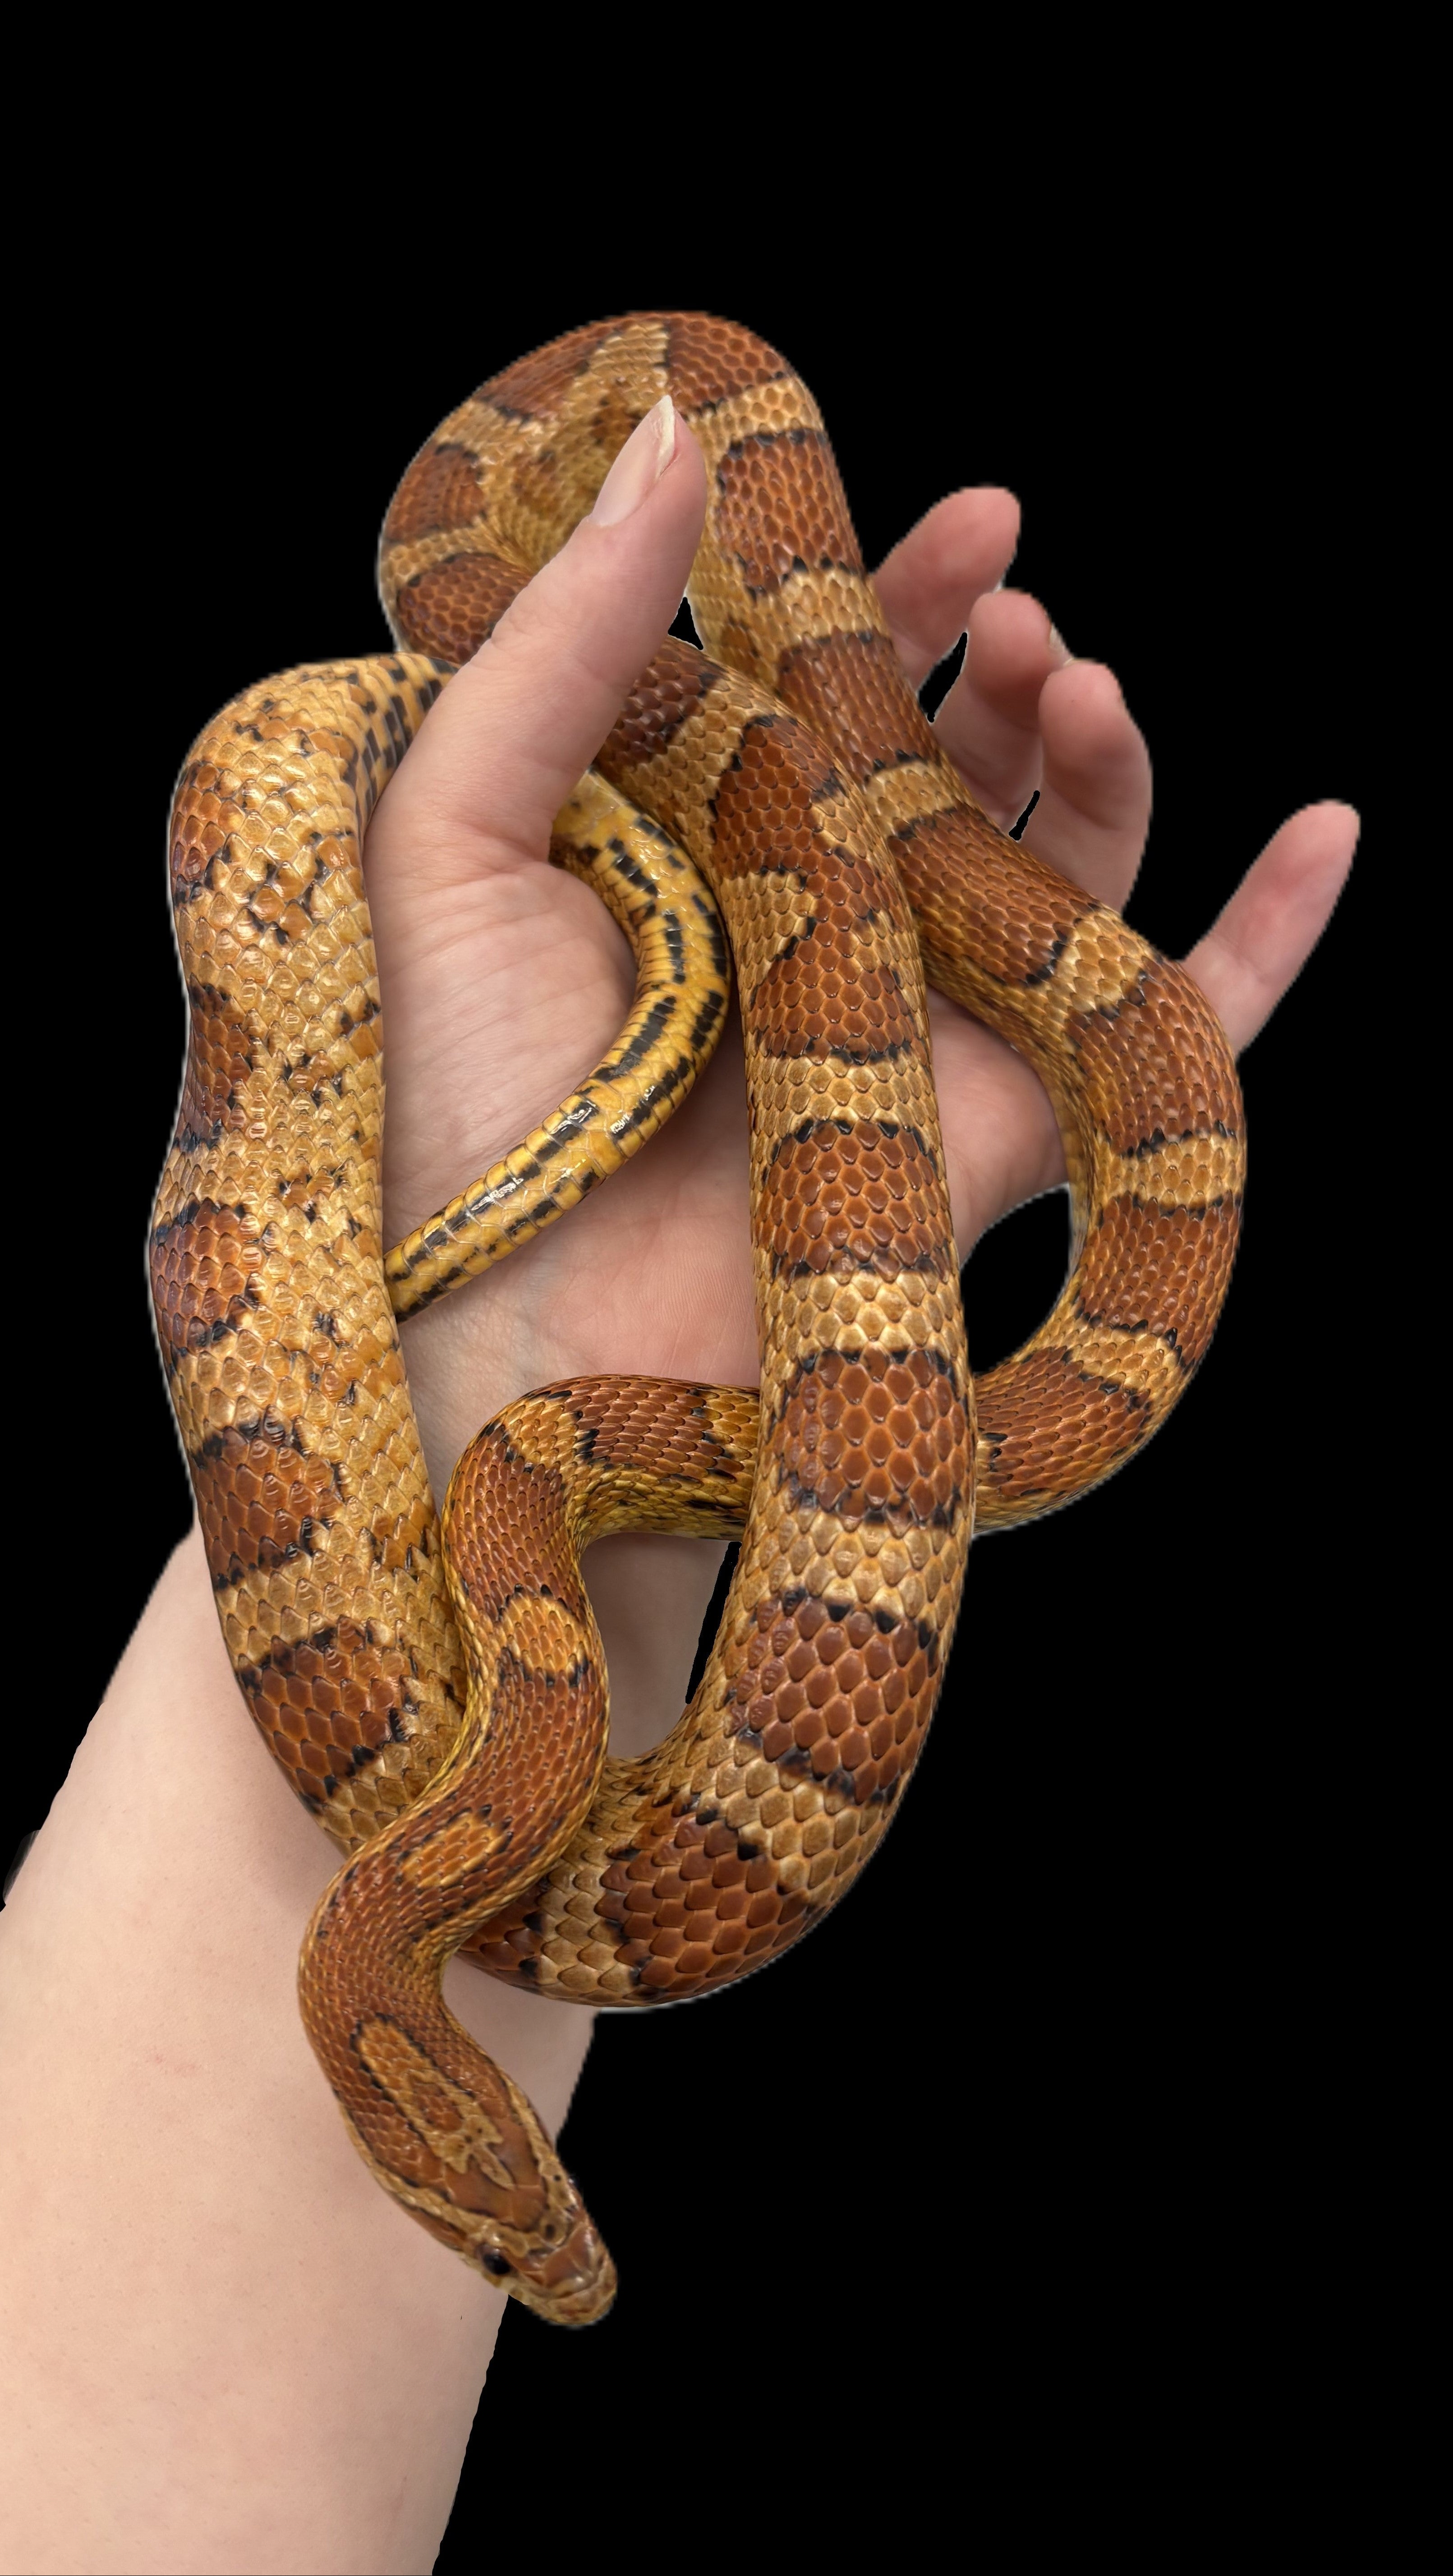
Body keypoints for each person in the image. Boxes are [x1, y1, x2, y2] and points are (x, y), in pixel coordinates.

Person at [0, 404, 1356, 2576]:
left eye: (503, 2216)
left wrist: (553, 1390)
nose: (545, 2250)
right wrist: (533, 1369)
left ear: (443, 2133)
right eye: (512, 2228)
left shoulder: (431, 1874)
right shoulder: (454, 1894)